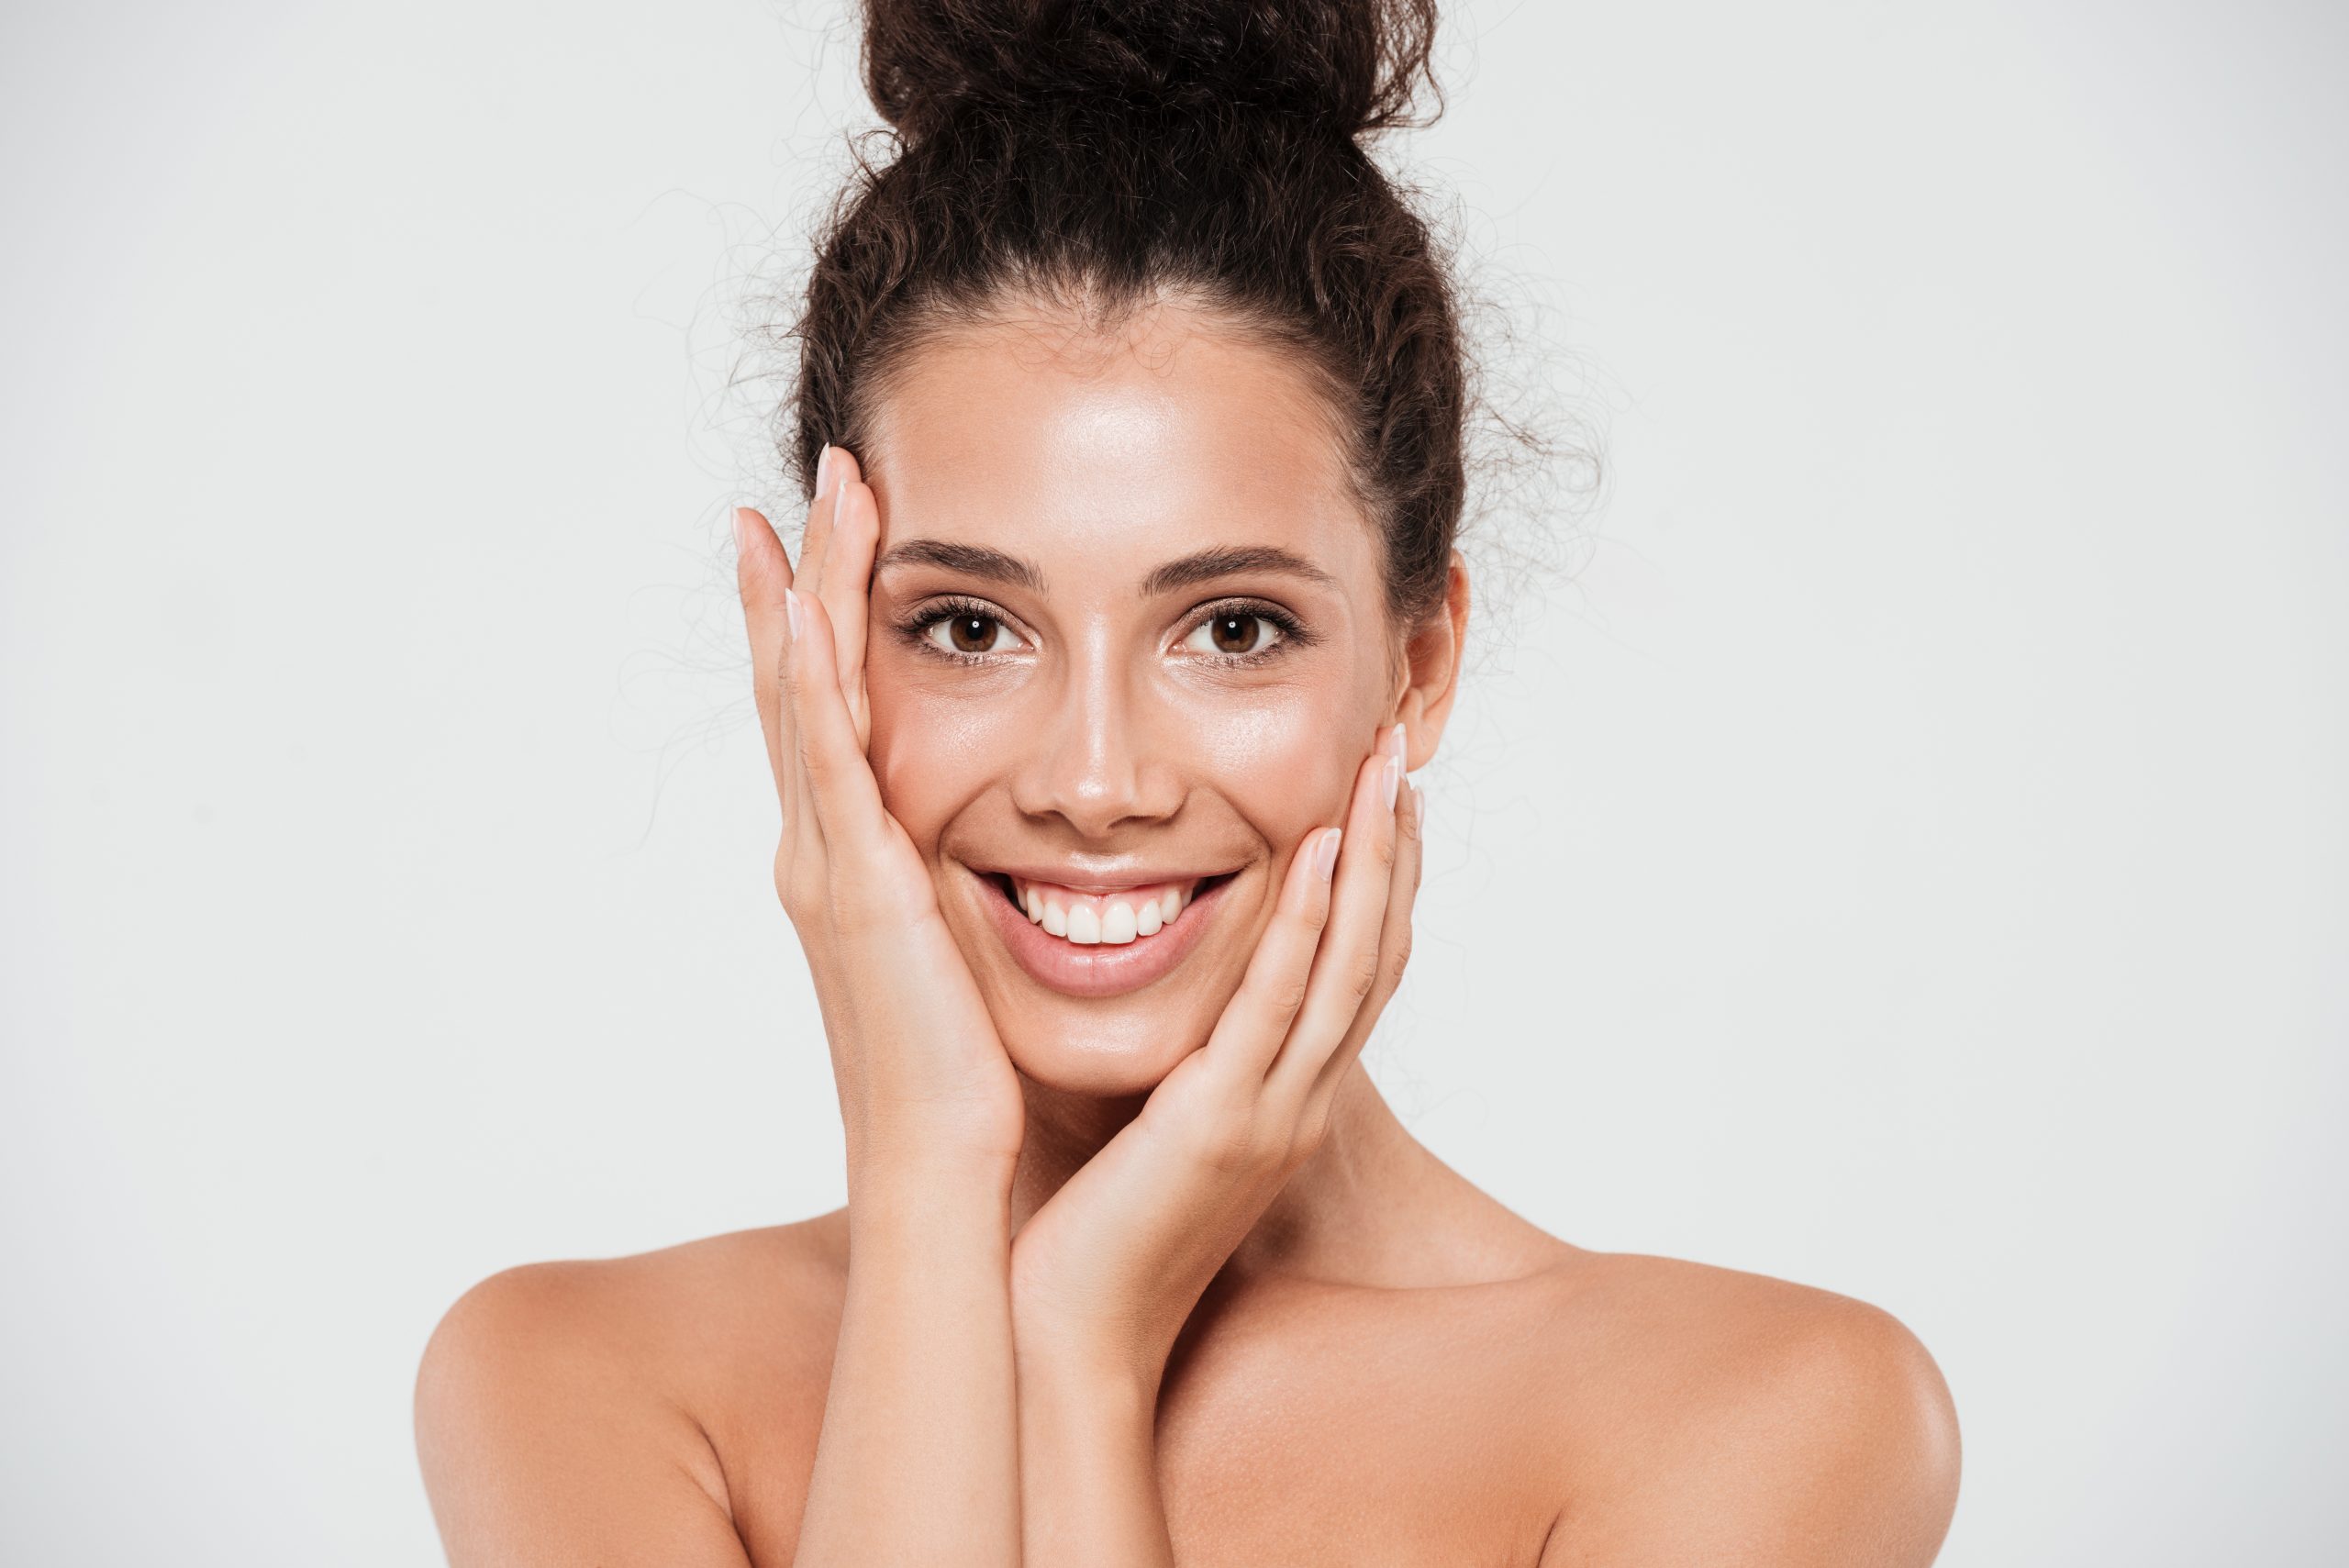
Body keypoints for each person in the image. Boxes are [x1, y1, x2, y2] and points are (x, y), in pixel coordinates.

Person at [414, 2, 1961, 1562]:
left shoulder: (1757, 1416)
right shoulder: (579, 1381)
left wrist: (1083, 1350)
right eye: (969, 625)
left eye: (1232, 628)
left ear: (1418, 666)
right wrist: (930, 1183)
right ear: (818, 651)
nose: (1096, 781)